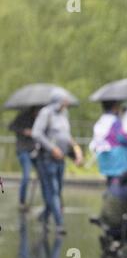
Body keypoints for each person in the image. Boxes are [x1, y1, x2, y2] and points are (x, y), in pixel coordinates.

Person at [89, 100, 127, 250]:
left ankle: (108, 225)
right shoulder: (115, 122)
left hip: (106, 163)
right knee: (124, 201)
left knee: (112, 194)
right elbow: (124, 138)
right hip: (119, 162)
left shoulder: (100, 121)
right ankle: (120, 234)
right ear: (115, 107)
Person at [32, 93, 83, 235]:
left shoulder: (64, 114)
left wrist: (76, 151)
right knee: (53, 190)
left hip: (61, 158)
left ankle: (44, 216)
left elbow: (66, 136)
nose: (66, 103)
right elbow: (37, 133)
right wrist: (52, 148)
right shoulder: (46, 113)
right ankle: (59, 224)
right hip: (47, 158)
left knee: (57, 190)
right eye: (64, 101)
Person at [8, 106, 41, 211]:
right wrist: (24, 131)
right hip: (23, 149)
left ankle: (35, 202)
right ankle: (22, 202)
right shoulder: (22, 116)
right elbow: (11, 126)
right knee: (26, 176)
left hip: (34, 149)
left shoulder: (40, 119)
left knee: (42, 174)